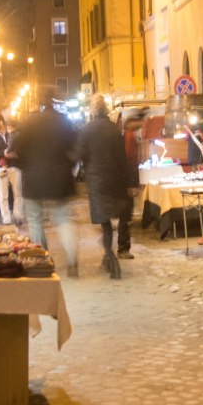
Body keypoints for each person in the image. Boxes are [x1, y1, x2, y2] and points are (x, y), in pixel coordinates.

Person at [13, 93, 79, 277]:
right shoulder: (64, 121)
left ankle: (42, 261)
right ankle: (72, 260)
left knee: (35, 221)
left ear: (39, 104)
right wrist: (68, 167)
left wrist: (23, 165)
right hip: (60, 178)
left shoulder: (30, 122)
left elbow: (17, 149)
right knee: (63, 220)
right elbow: (75, 148)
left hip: (34, 178)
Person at [78, 97, 134, 278]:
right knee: (115, 216)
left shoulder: (85, 131)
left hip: (96, 182)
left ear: (93, 111)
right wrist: (129, 182)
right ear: (106, 110)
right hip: (115, 180)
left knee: (105, 223)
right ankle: (110, 255)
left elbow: (80, 157)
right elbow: (122, 158)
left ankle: (110, 257)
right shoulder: (114, 130)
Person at [117, 108, 148, 259]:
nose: (142, 124)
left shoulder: (127, 135)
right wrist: (132, 183)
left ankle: (122, 247)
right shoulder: (129, 137)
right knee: (125, 215)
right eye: (140, 121)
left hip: (124, 181)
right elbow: (130, 160)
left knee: (125, 215)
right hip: (126, 182)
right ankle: (123, 248)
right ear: (132, 122)